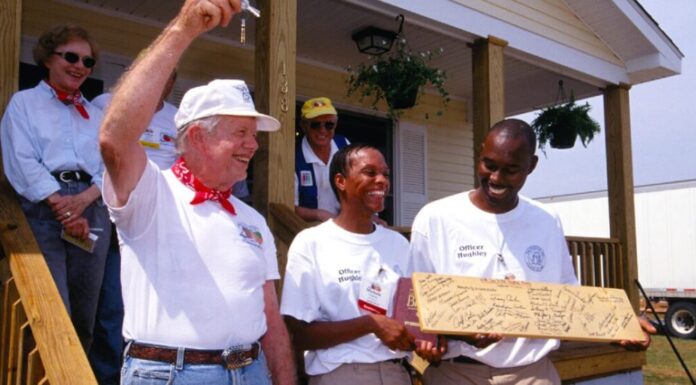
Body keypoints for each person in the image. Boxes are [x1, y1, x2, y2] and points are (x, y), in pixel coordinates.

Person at [98, 1, 295, 384]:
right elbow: (114, 139)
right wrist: (184, 28)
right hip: (170, 374)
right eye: (240, 133)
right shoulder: (151, 193)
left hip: (251, 373)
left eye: (254, 136)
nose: (253, 146)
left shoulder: (252, 219)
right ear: (198, 137)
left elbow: (270, 318)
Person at [407, 119, 653, 385]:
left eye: (511, 170)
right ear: (480, 153)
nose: (496, 179)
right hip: (457, 373)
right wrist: (441, 337)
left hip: (533, 373)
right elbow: (412, 301)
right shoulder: (436, 218)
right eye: (489, 165)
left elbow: (568, 299)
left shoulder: (547, 220)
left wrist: (622, 323)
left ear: (531, 165)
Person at [281, 144, 439, 384]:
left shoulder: (399, 244)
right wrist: (370, 324)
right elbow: (300, 334)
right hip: (343, 374)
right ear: (340, 181)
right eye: (370, 172)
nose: (382, 181)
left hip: (398, 373)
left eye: (385, 174)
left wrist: (427, 341)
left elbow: (416, 315)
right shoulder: (311, 243)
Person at [1, 25, 111, 351]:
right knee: (50, 306)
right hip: (44, 210)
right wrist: (61, 205)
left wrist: (86, 198)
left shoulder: (94, 114)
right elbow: (21, 158)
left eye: (88, 62)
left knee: (84, 311)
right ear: (49, 58)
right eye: (71, 57)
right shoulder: (24, 104)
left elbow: (112, 166)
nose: (80, 66)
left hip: (92, 210)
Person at [88, 63, 178, 385]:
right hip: (113, 215)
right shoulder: (104, 105)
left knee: (154, 303)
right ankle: (108, 376)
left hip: (162, 223)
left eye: (168, 78)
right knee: (112, 306)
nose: (161, 84)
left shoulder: (177, 117)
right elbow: (92, 155)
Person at [92, 67, 179, 170]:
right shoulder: (105, 103)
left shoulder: (177, 116)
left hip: (159, 183)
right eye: (152, 74)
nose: (159, 81)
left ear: (171, 84)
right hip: (109, 181)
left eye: (166, 77)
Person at [294, 97, 349, 222]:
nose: (322, 130)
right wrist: (318, 215)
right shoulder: (294, 157)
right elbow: (291, 206)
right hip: (311, 230)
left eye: (329, 125)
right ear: (303, 126)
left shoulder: (344, 145)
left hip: (346, 227)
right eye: (315, 125)